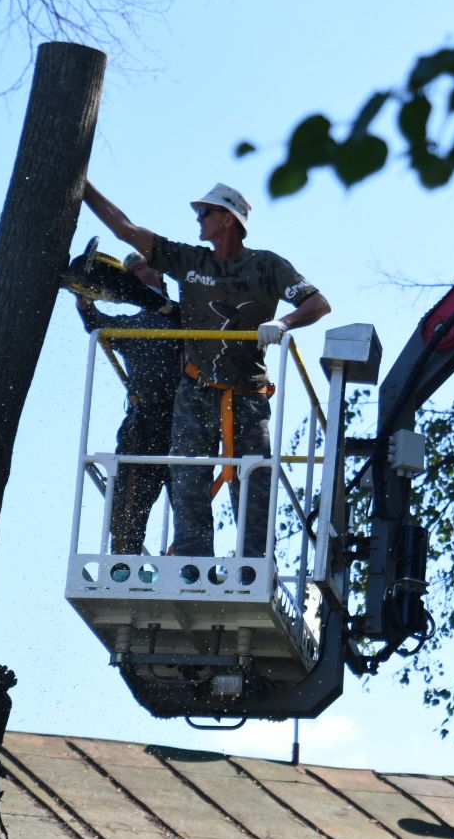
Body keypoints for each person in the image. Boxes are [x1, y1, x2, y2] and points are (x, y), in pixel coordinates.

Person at [81, 179, 331, 558]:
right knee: (188, 481)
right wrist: (82, 185)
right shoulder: (189, 261)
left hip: (248, 395)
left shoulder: (266, 265)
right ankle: (193, 568)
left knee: (253, 484)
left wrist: (284, 323)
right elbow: (125, 229)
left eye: (205, 212)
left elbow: (318, 303)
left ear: (228, 219)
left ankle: (252, 571)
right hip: (195, 391)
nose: (198, 219)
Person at [75, 254, 182, 555]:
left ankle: (189, 567)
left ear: (161, 271)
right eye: (129, 272)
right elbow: (97, 324)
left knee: (189, 502)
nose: (133, 274)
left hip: (185, 421)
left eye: (138, 268)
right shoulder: (131, 325)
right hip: (144, 419)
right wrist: (84, 300)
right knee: (129, 499)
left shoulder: (185, 316)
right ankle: (122, 565)